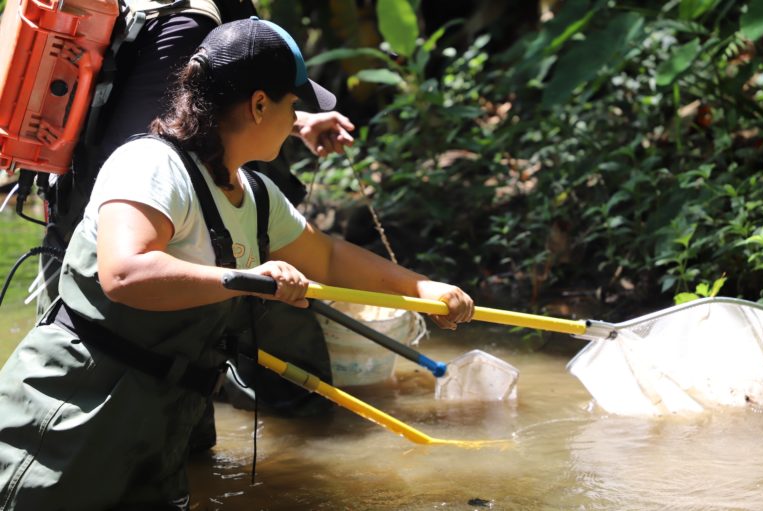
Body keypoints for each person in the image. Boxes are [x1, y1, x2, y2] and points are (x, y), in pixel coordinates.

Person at [0, 17, 473, 510]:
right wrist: (248, 279)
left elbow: (328, 257)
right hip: (67, 422)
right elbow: (125, 273)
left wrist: (422, 289)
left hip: (154, 439)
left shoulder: (257, 196)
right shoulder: (149, 166)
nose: (296, 122)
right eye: (293, 106)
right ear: (259, 104)